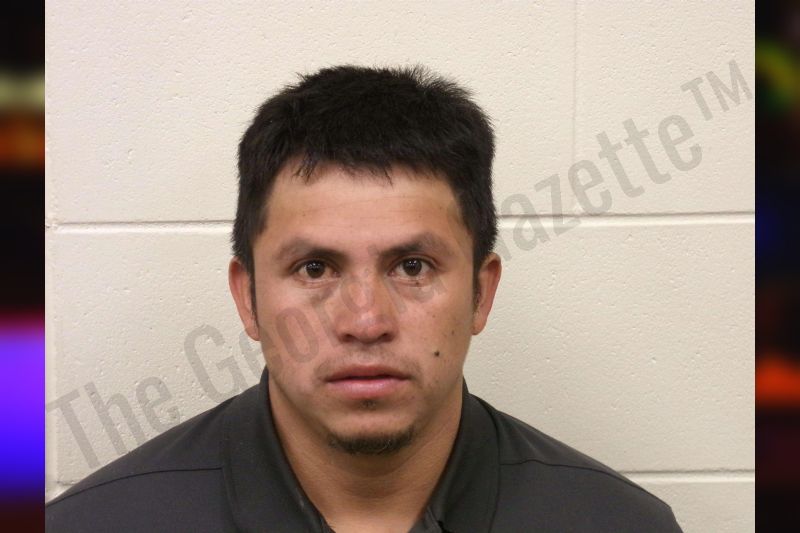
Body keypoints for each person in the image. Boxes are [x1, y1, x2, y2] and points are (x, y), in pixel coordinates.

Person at [46, 65, 682, 532]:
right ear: (248, 298)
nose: (365, 321)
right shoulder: (95, 525)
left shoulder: (619, 525)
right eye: (314, 268)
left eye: (412, 266)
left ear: (480, 293)